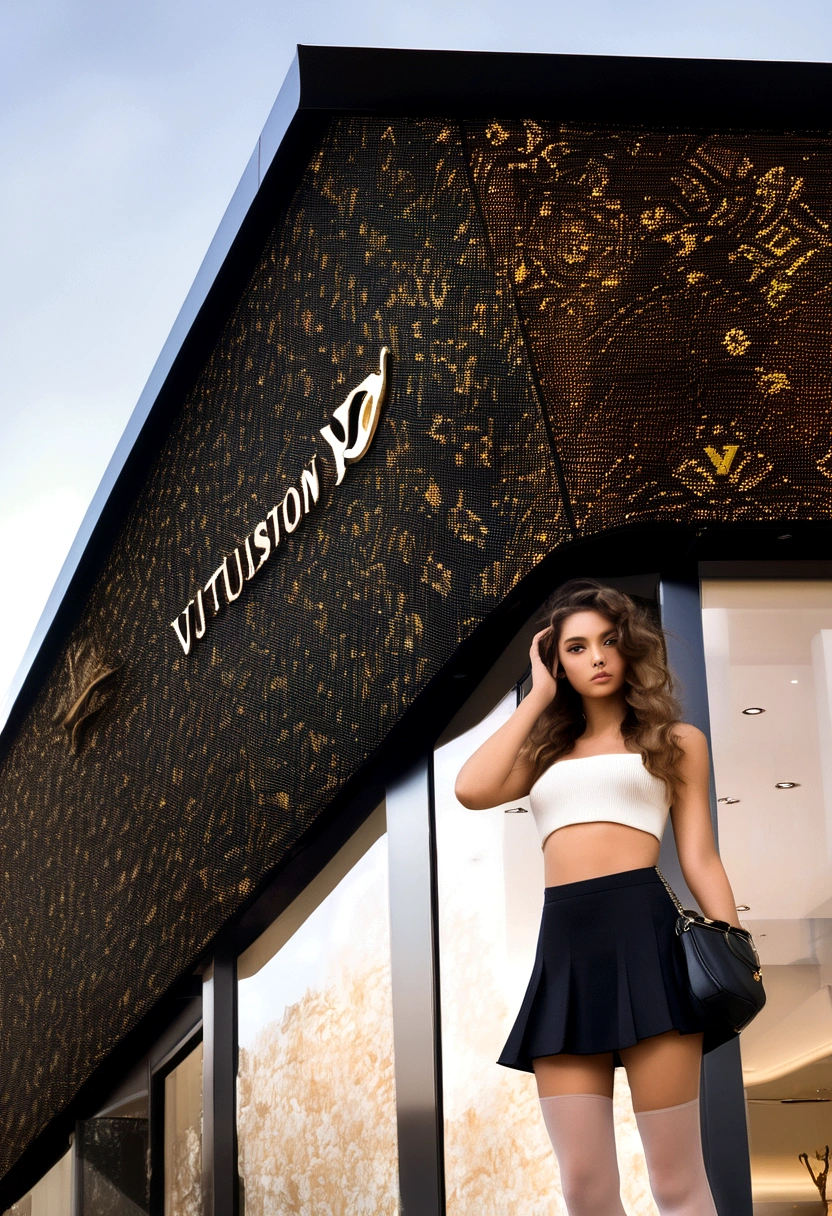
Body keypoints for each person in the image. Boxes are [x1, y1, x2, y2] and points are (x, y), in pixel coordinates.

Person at [455, 579, 741, 1216]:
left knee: (677, 1182)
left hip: (648, 942)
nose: (598, 657)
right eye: (577, 648)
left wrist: (733, 948)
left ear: (629, 648)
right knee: (583, 1187)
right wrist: (537, 697)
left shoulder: (677, 741)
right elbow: (471, 789)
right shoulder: (542, 753)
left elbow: (700, 857)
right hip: (566, 951)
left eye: (609, 642)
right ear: (560, 662)